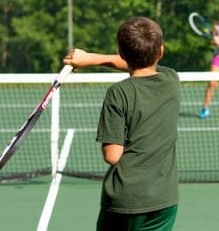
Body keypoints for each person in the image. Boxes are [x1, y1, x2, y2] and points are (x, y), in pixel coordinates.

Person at [63, 17, 179, 231]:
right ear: (161, 52)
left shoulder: (118, 93)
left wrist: (89, 58)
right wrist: (90, 59)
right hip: (165, 199)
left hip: (126, 201)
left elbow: (112, 156)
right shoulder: (171, 79)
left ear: (122, 53)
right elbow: (141, 63)